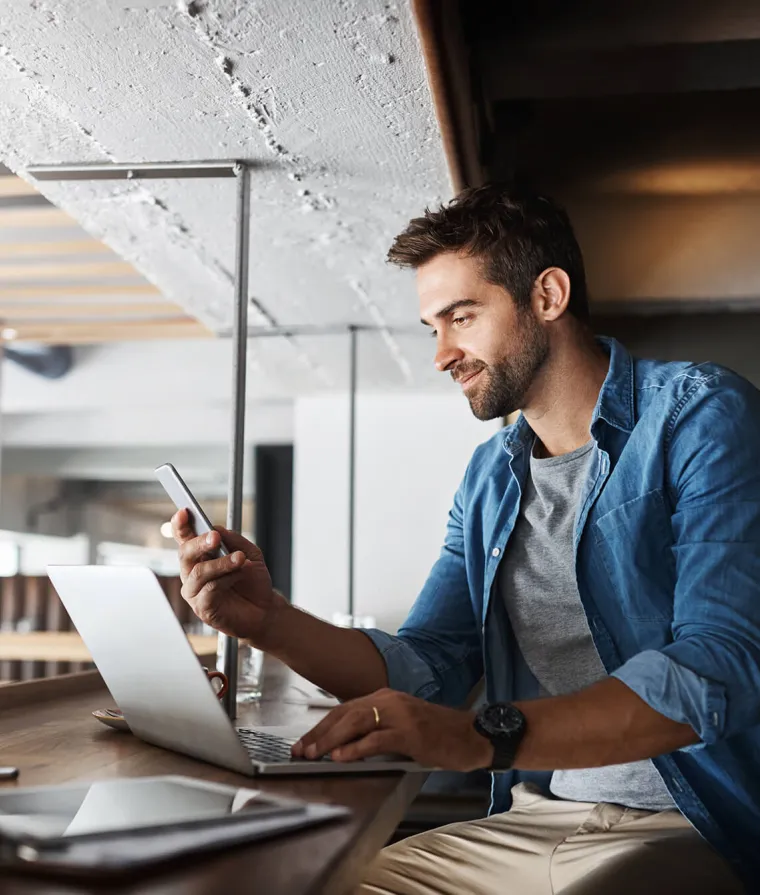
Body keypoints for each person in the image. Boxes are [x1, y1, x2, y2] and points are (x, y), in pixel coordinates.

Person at [172, 185, 757, 894]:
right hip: (537, 815)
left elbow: (718, 663)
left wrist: (481, 734)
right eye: (432, 327)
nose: (443, 352)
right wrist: (267, 618)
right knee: (301, 884)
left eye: (461, 316)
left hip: (692, 822)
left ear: (547, 295)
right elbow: (428, 665)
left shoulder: (700, 415)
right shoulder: (491, 476)